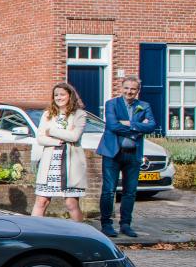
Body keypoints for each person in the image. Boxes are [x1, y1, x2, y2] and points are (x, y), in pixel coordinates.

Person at [97, 75, 156, 238]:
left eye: (133, 89)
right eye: (127, 88)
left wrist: (130, 124)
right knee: (109, 190)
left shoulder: (144, 105)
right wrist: (138, 127)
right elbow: (112, 125)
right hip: (112, 153)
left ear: (138, 91)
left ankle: (125, 224)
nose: (129, 91)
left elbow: (151, 126)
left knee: (130, 191)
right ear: (121, 88)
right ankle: (107, 224)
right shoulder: (112, 104)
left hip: (133, 154)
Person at [33, 82, 88, 223]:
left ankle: (81, 235)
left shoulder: (79, 114)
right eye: (56, 95)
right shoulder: (47, 114)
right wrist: (57, 141)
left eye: (62, 94)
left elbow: (74, 136)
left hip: (70, 164)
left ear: (70, 96)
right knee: (41, 201)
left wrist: (51, 131)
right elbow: (40, 138)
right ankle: (32, 231)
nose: (59, 97)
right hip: (50, 164)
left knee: (71, 203)